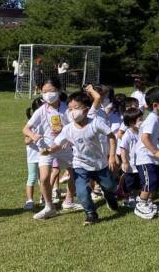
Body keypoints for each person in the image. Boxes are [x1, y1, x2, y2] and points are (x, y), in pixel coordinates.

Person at [42, 87, 120, 225]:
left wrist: (112, 156)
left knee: (110, 187)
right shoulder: (68, 128)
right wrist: (48, 150)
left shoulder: (95, 123)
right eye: (70, 109)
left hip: (99, 164)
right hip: (80, 165)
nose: (73, 112)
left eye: (76, 108)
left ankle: (110, 197)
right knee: (82, 193)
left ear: (86, 109)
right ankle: (91, 214)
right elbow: (58, 144)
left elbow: (112, 137)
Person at [23, 77, 82, 220]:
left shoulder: (67, 108)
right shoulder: (41, 110)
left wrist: (66, 133)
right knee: (43, 178)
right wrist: (33, 135)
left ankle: (69, 201)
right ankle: (49, 207)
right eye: (44, 92)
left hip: (64, 147)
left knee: (73, 173)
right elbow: (25, 128)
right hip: (46, 149)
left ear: (59, 90)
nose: (47, 94)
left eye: (51, 91)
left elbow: (76, 125)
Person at [132, 86, 159, 220]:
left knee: (156, 181)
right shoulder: (152, 119)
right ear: (156, 105)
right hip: (145, 156)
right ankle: (140, 205)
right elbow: (144, 138)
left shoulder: (157, 117)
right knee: (149, 181)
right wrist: (156, 151)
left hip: (152, 158)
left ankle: (148, 203)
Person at [118, 107, 144, 207]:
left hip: (140, 163)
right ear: (132, 122)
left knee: (140, 182)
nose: (142, 121)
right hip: (131, 165)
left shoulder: (142, 131)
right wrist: (125, 162)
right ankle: (128, 198)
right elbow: (123, 149)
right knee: (130, 183)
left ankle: (137, 196)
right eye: (140, 119)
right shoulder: (127, 134)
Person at [23, 97, 44, 210]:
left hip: (44, 154)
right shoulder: (30, 124)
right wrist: (33, 137)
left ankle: (44, 197)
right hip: (32, 155)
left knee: (43, 178)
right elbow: (26, 141)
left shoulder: (47, 121)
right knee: (32, 177)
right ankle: (29, 200)